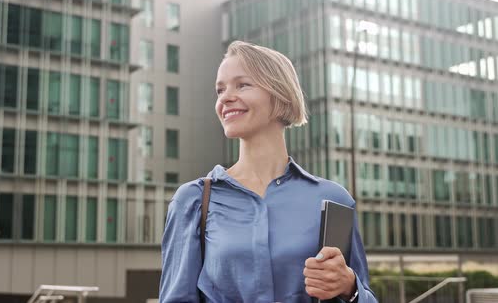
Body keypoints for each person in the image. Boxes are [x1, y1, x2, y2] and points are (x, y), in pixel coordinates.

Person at [159, 40, 377, 303]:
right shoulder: (193, 200)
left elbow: (361, 295)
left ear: (279, 93)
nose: (225, 97)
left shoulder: (333, 199)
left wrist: (350, 287)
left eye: (242, 84)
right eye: (220, 90)